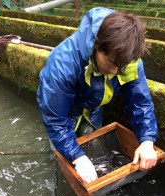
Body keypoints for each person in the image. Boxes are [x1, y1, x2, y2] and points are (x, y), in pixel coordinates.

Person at [37, 7, 158, 184]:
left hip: (93, 105)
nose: (115, 71)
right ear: (96, 45)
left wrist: (147, 140)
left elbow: (140, 101)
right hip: (63, 108)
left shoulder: (127, 57)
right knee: (62, 154)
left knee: (95, 153)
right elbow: (55, 119)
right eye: (110, 62)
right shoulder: (62, 64)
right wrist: (77, 157)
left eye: (121, 66)